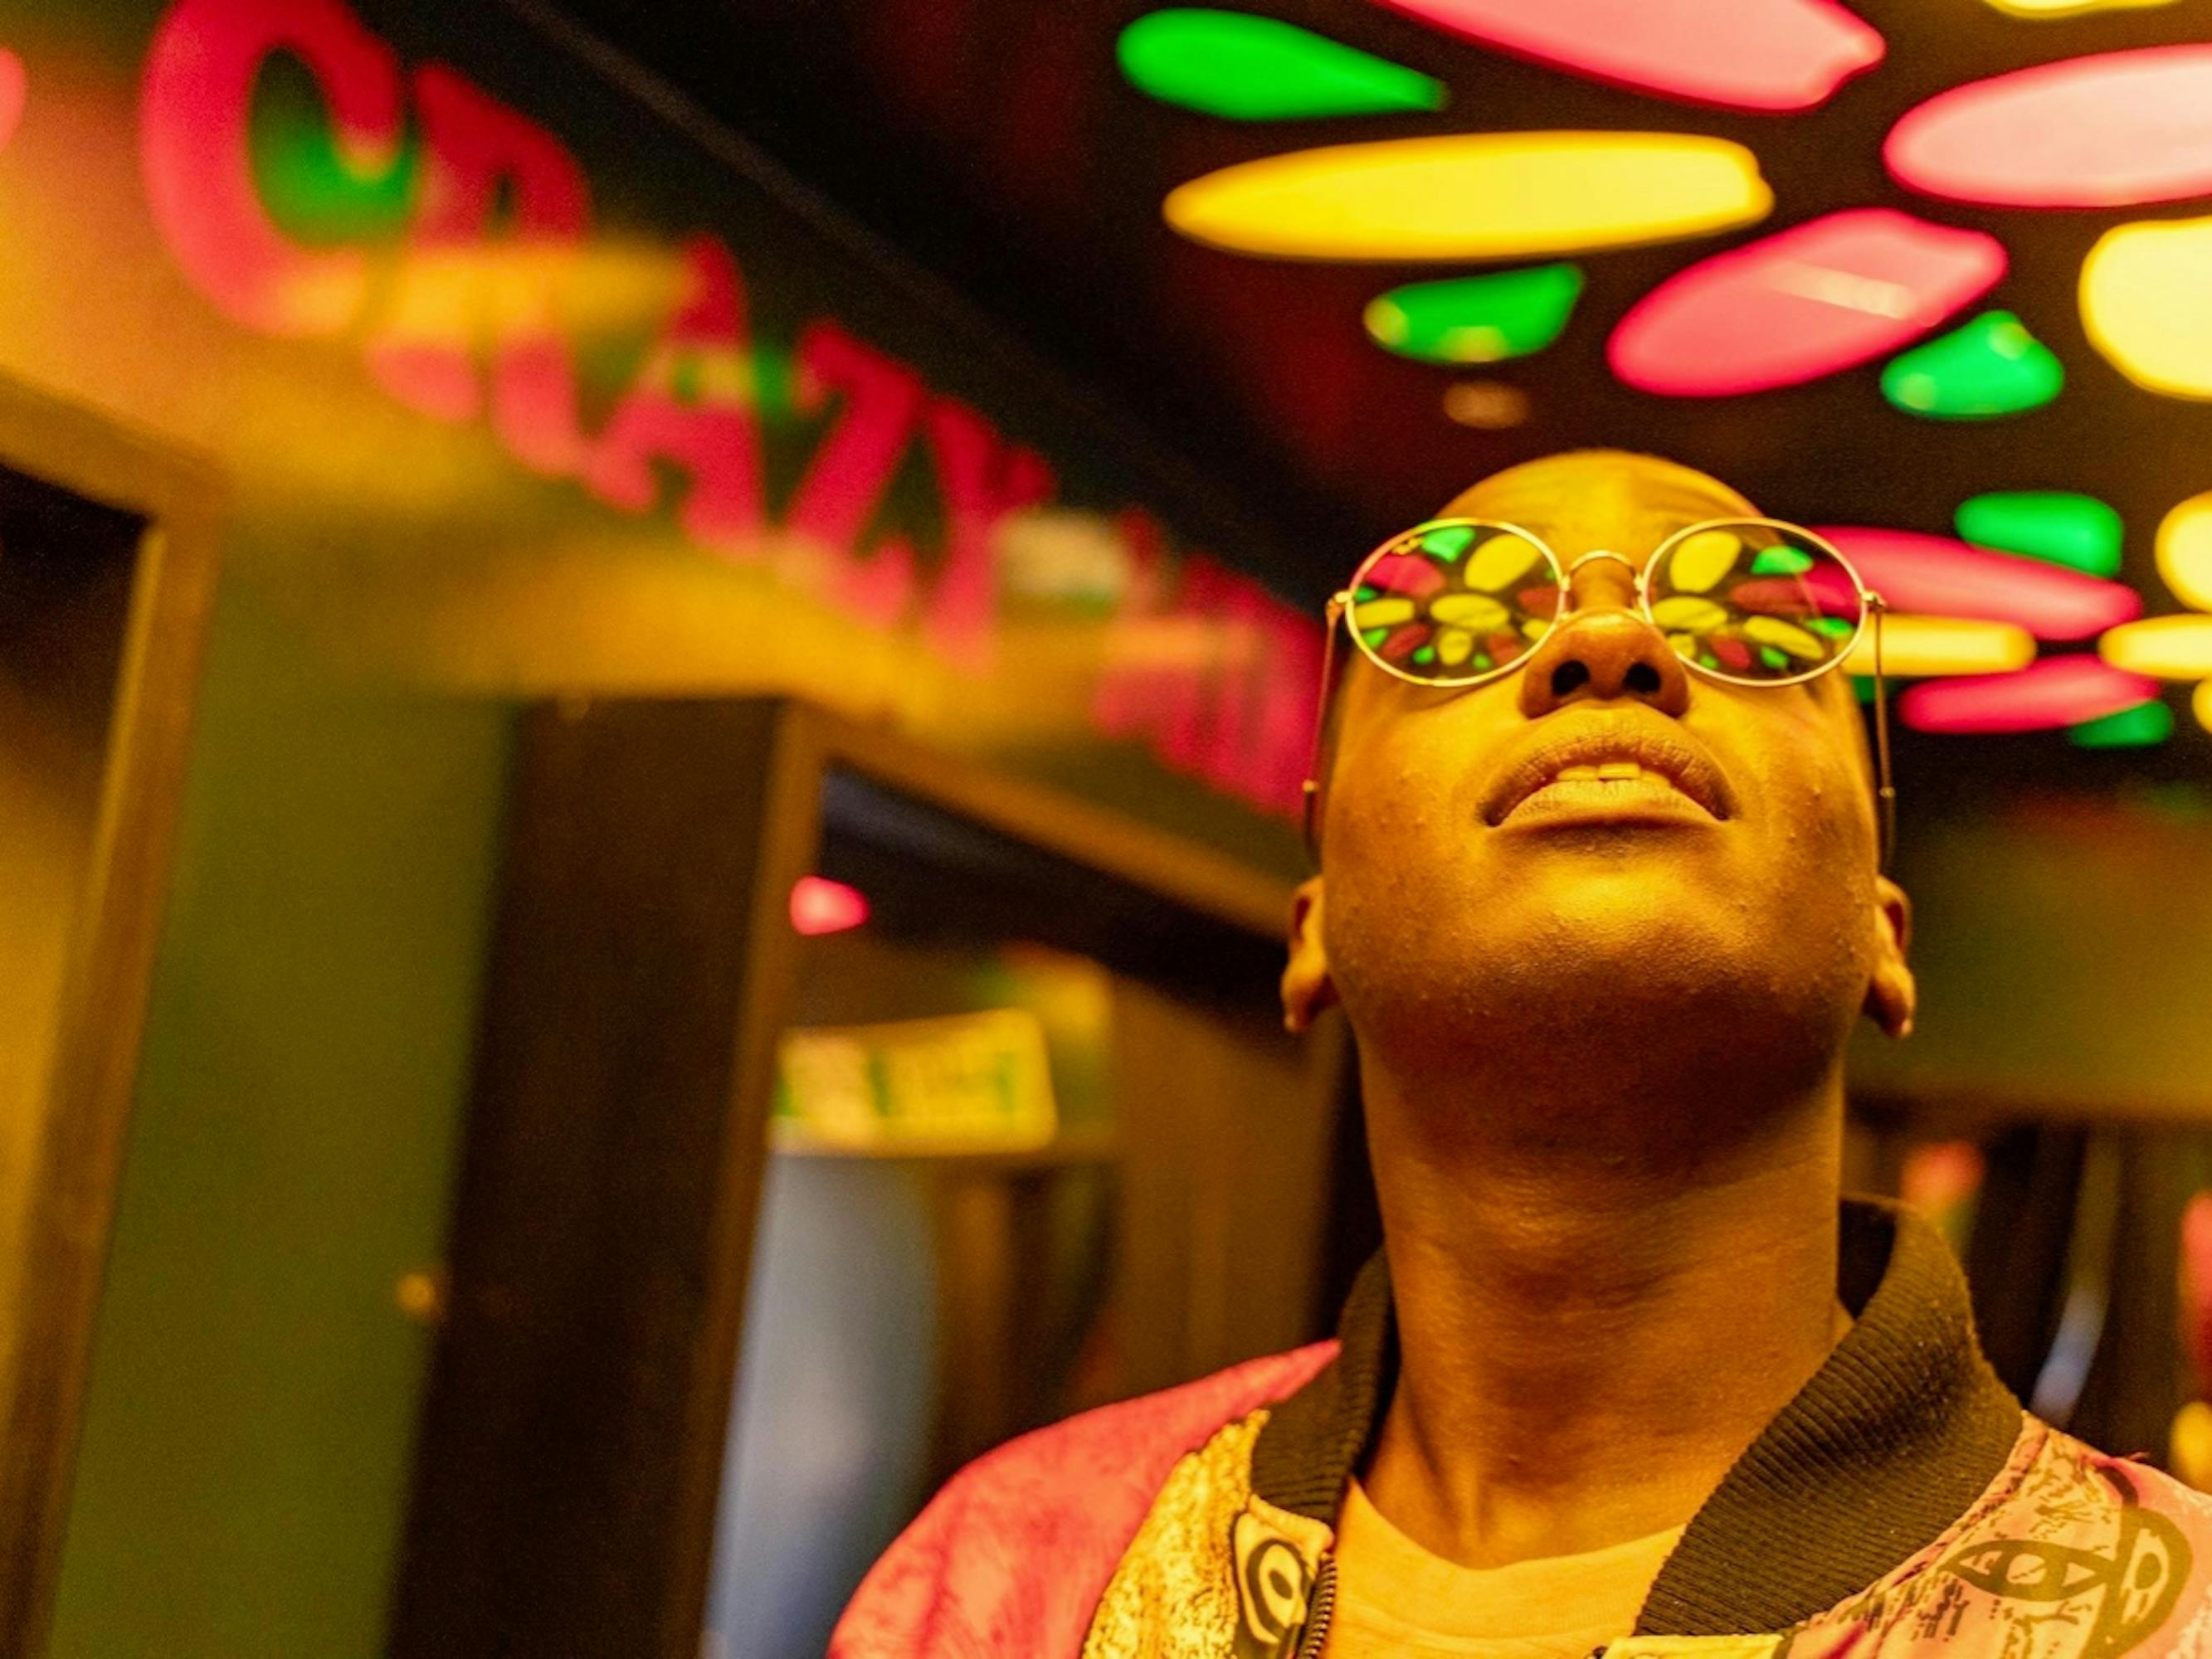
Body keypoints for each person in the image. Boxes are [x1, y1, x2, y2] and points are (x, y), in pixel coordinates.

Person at [831, 452, 2212, 1659]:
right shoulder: (1007, 1571)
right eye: (1448, 622)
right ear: (1312, 928)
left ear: (1882, 935)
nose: (1607, 646)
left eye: (1745, 616)